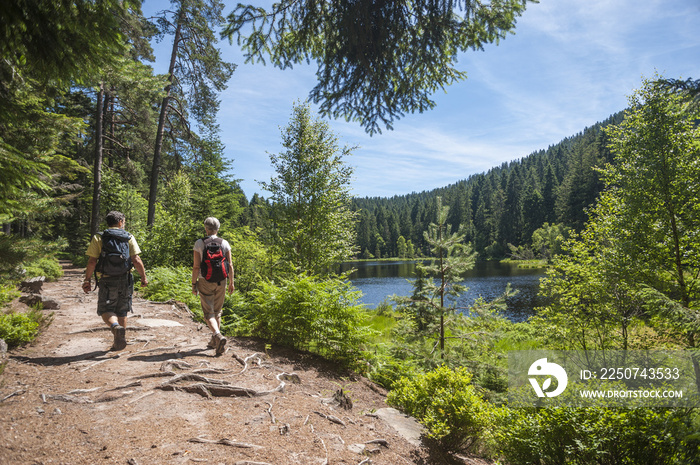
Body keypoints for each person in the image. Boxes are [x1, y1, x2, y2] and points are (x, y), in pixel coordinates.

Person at [82, 211, 148, 351]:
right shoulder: (128, 237)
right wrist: (143, 277)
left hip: (106, 279)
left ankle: (115, 327)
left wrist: (87, 280)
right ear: (120, 222)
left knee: (106, 309)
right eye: (123, 221)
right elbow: (136, 260)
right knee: (122, 309)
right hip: (125, 279)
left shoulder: (99, 237)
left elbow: (92, 261)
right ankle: (120, 340)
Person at [192, 217, 234, 356]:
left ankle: (217, 335)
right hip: (222, 281)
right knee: (217, 311)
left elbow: (196, 266)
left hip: (205, 280)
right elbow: (230, 265)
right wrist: (231, 282)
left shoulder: (199, 243)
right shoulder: (225, 243)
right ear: (218, 228)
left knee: (208, 313)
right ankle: (214, 342)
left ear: (205, 228)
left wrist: (194, 284)